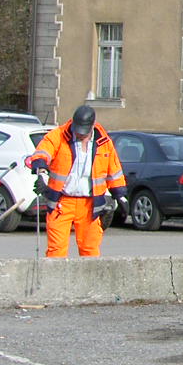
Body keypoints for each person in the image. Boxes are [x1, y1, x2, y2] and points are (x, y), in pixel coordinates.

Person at [27, 104, 127, 257]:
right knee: (56, 251)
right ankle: (56, 274)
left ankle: (89, 274)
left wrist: (120, 195)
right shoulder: (58, 135)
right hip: (61, 202)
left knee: (90, 250)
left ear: (92, 126)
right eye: (77, 130)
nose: (79, 134)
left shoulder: (104, 142)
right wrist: (41, 173)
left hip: (90, 205)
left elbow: (114, 170)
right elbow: (42, 153)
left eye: (83, 132)